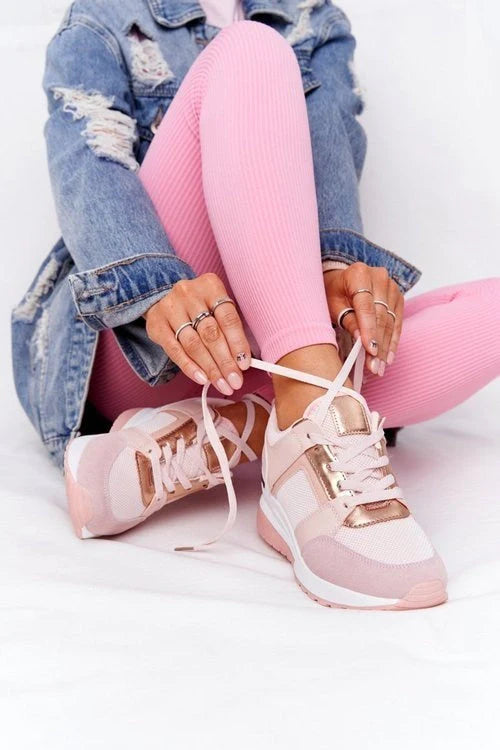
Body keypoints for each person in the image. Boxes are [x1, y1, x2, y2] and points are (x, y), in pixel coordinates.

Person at [11, 0, 500, 610]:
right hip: (144, 343)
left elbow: (330, 157)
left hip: (266, 342)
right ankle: (311, 422)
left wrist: (335, 272)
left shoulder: (314, 20)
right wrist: (156, 287)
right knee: (251, 51)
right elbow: (87, 164)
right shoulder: (105, 16)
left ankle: (246, 429)